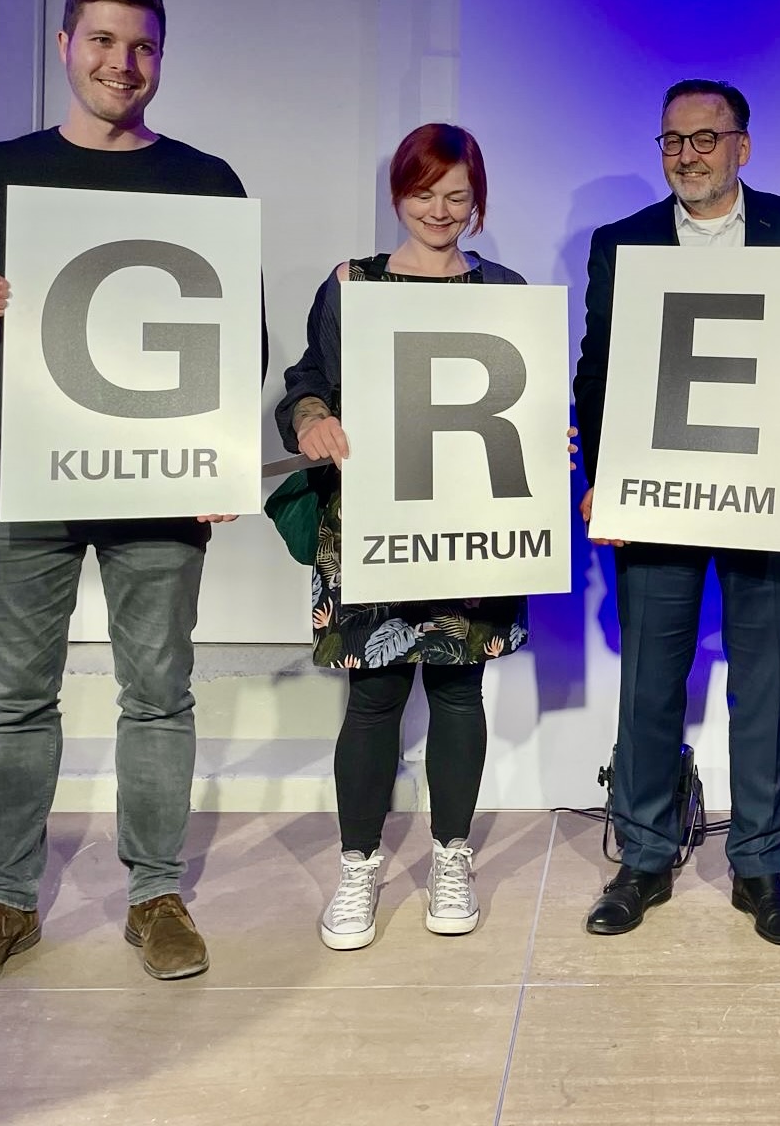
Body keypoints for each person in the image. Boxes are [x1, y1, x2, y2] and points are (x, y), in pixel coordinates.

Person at [0, 0, 258, 991]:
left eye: (143, 45)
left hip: (159, 476)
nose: (124, 62)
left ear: (162, 57)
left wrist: (225, 453)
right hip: (27, 463)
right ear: (66, 45)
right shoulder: (2, 169)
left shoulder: (204, 178)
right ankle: (5, 903)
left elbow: (236, 331)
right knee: (15, 696)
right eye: (104, 41)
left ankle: (156, 895)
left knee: (158, 694)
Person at [573, 79, 780, 944]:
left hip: (764, 489)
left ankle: (762, 866)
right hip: (657, 492)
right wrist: (601, 470)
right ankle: (644, 855)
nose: (687, 154)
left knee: (765, 682)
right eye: (671, 140)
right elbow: (598, 367)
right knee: (650, 681)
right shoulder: (619, 241)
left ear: (743, 145)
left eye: (705, 138)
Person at [276, 122, 553, 951]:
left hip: (474, 520)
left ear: (478, 201)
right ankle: (358, 866)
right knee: (373, 698)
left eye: (457, 195)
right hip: (373, 518)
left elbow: (528, 403)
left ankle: (451, 857)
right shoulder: (350, 283)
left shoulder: (506, 288)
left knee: (460, 689)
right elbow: (307, 380)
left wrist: (551, 439)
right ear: (398, 191)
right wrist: (314, 415)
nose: (440, 209)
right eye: (425, 192)